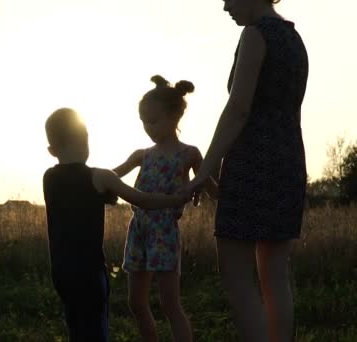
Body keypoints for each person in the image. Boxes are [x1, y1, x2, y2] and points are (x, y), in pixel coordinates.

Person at [181, 1, 309, 341]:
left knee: (237, 274)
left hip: (253, 163)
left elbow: (238, 110)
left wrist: (203, 171)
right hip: (288, 162)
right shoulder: (294, 39)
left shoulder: (255, 35)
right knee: (275, 276)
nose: (225, 6)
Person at [43, 107, 190, 342]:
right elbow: (143, 199)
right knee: (96, 328)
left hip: (61, 271)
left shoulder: (48, 178)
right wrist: (176, 199)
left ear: (52, 150)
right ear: (86, 140)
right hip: (90, 272)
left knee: (76, 326)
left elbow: (76, 195)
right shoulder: (100, 177)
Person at [114, 75, 217, 342]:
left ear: (174, 116)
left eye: (153, 120)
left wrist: (199, 182)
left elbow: (214, 191)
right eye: (143, 122)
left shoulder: (189, 154)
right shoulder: (141, 155)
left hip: (164, 232)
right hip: (137, 230)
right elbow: (110, 177)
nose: (147, 127)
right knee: (136, 303)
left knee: (170, 305)